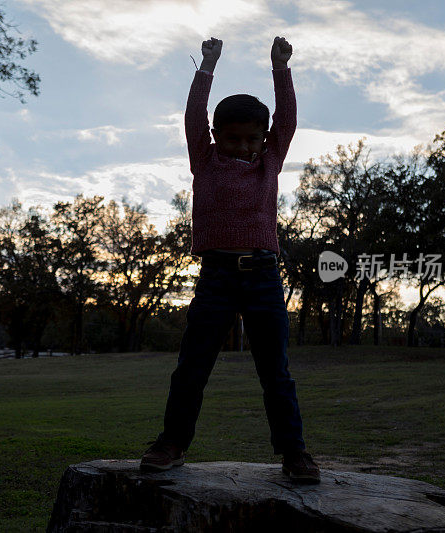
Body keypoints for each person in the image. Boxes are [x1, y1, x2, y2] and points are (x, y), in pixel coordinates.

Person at [140, 36, 320, 483]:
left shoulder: (271, 161)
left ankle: (294, 453)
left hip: (262, 277)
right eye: (234, 139)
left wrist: (280, 69)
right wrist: (207, 65)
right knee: (193, 366)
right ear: (218, 137)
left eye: (253, 139)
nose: (244, 147)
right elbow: (193, 116)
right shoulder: (205, 159)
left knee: (275, 372)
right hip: (216, 277)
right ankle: (172, 443)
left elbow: (288, 120)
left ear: (264, 138)